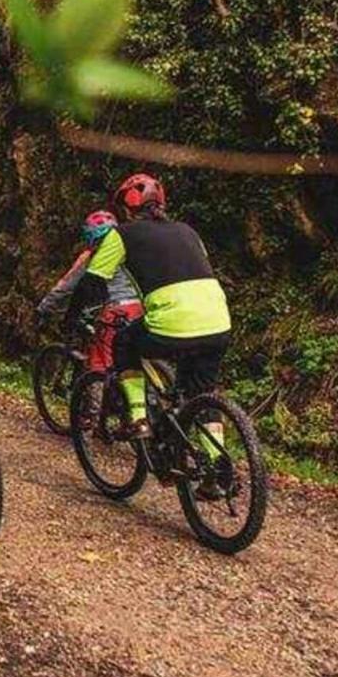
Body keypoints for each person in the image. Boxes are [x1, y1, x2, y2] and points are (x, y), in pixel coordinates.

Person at [74, 173, 232, 497]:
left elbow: (92, 281)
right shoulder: (188, 231)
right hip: (217, 321)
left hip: (171, 324)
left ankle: (137, 418)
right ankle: (216, 469)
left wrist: (73, 317)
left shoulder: (122, 235)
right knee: (200, 393)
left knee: (124, 343)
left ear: (127, 208)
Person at [36, 210, 144, 374]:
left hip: (116, 310)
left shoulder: (92, 257)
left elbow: (66, 288)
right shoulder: (130, 252)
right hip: (141, 309)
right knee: (134, 359)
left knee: (100, 366)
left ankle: (100, 397)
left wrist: (44, 309)